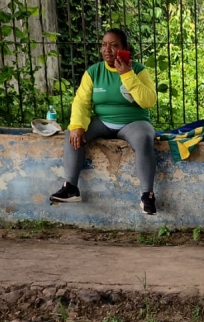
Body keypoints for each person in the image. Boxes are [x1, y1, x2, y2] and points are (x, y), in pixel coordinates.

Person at [50, 29, 158, 215]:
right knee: (72, 133)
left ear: (125, 49)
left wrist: (127, 75)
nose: (107, 49)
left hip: (133, 121)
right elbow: (81, 102)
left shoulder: (139, 70)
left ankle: (147, 196)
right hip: (103, 121)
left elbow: (148, 101)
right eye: (104, 45)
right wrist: (77, 126)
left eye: (114, 45)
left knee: (144, 138)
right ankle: (71, 187)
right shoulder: (94, 72)